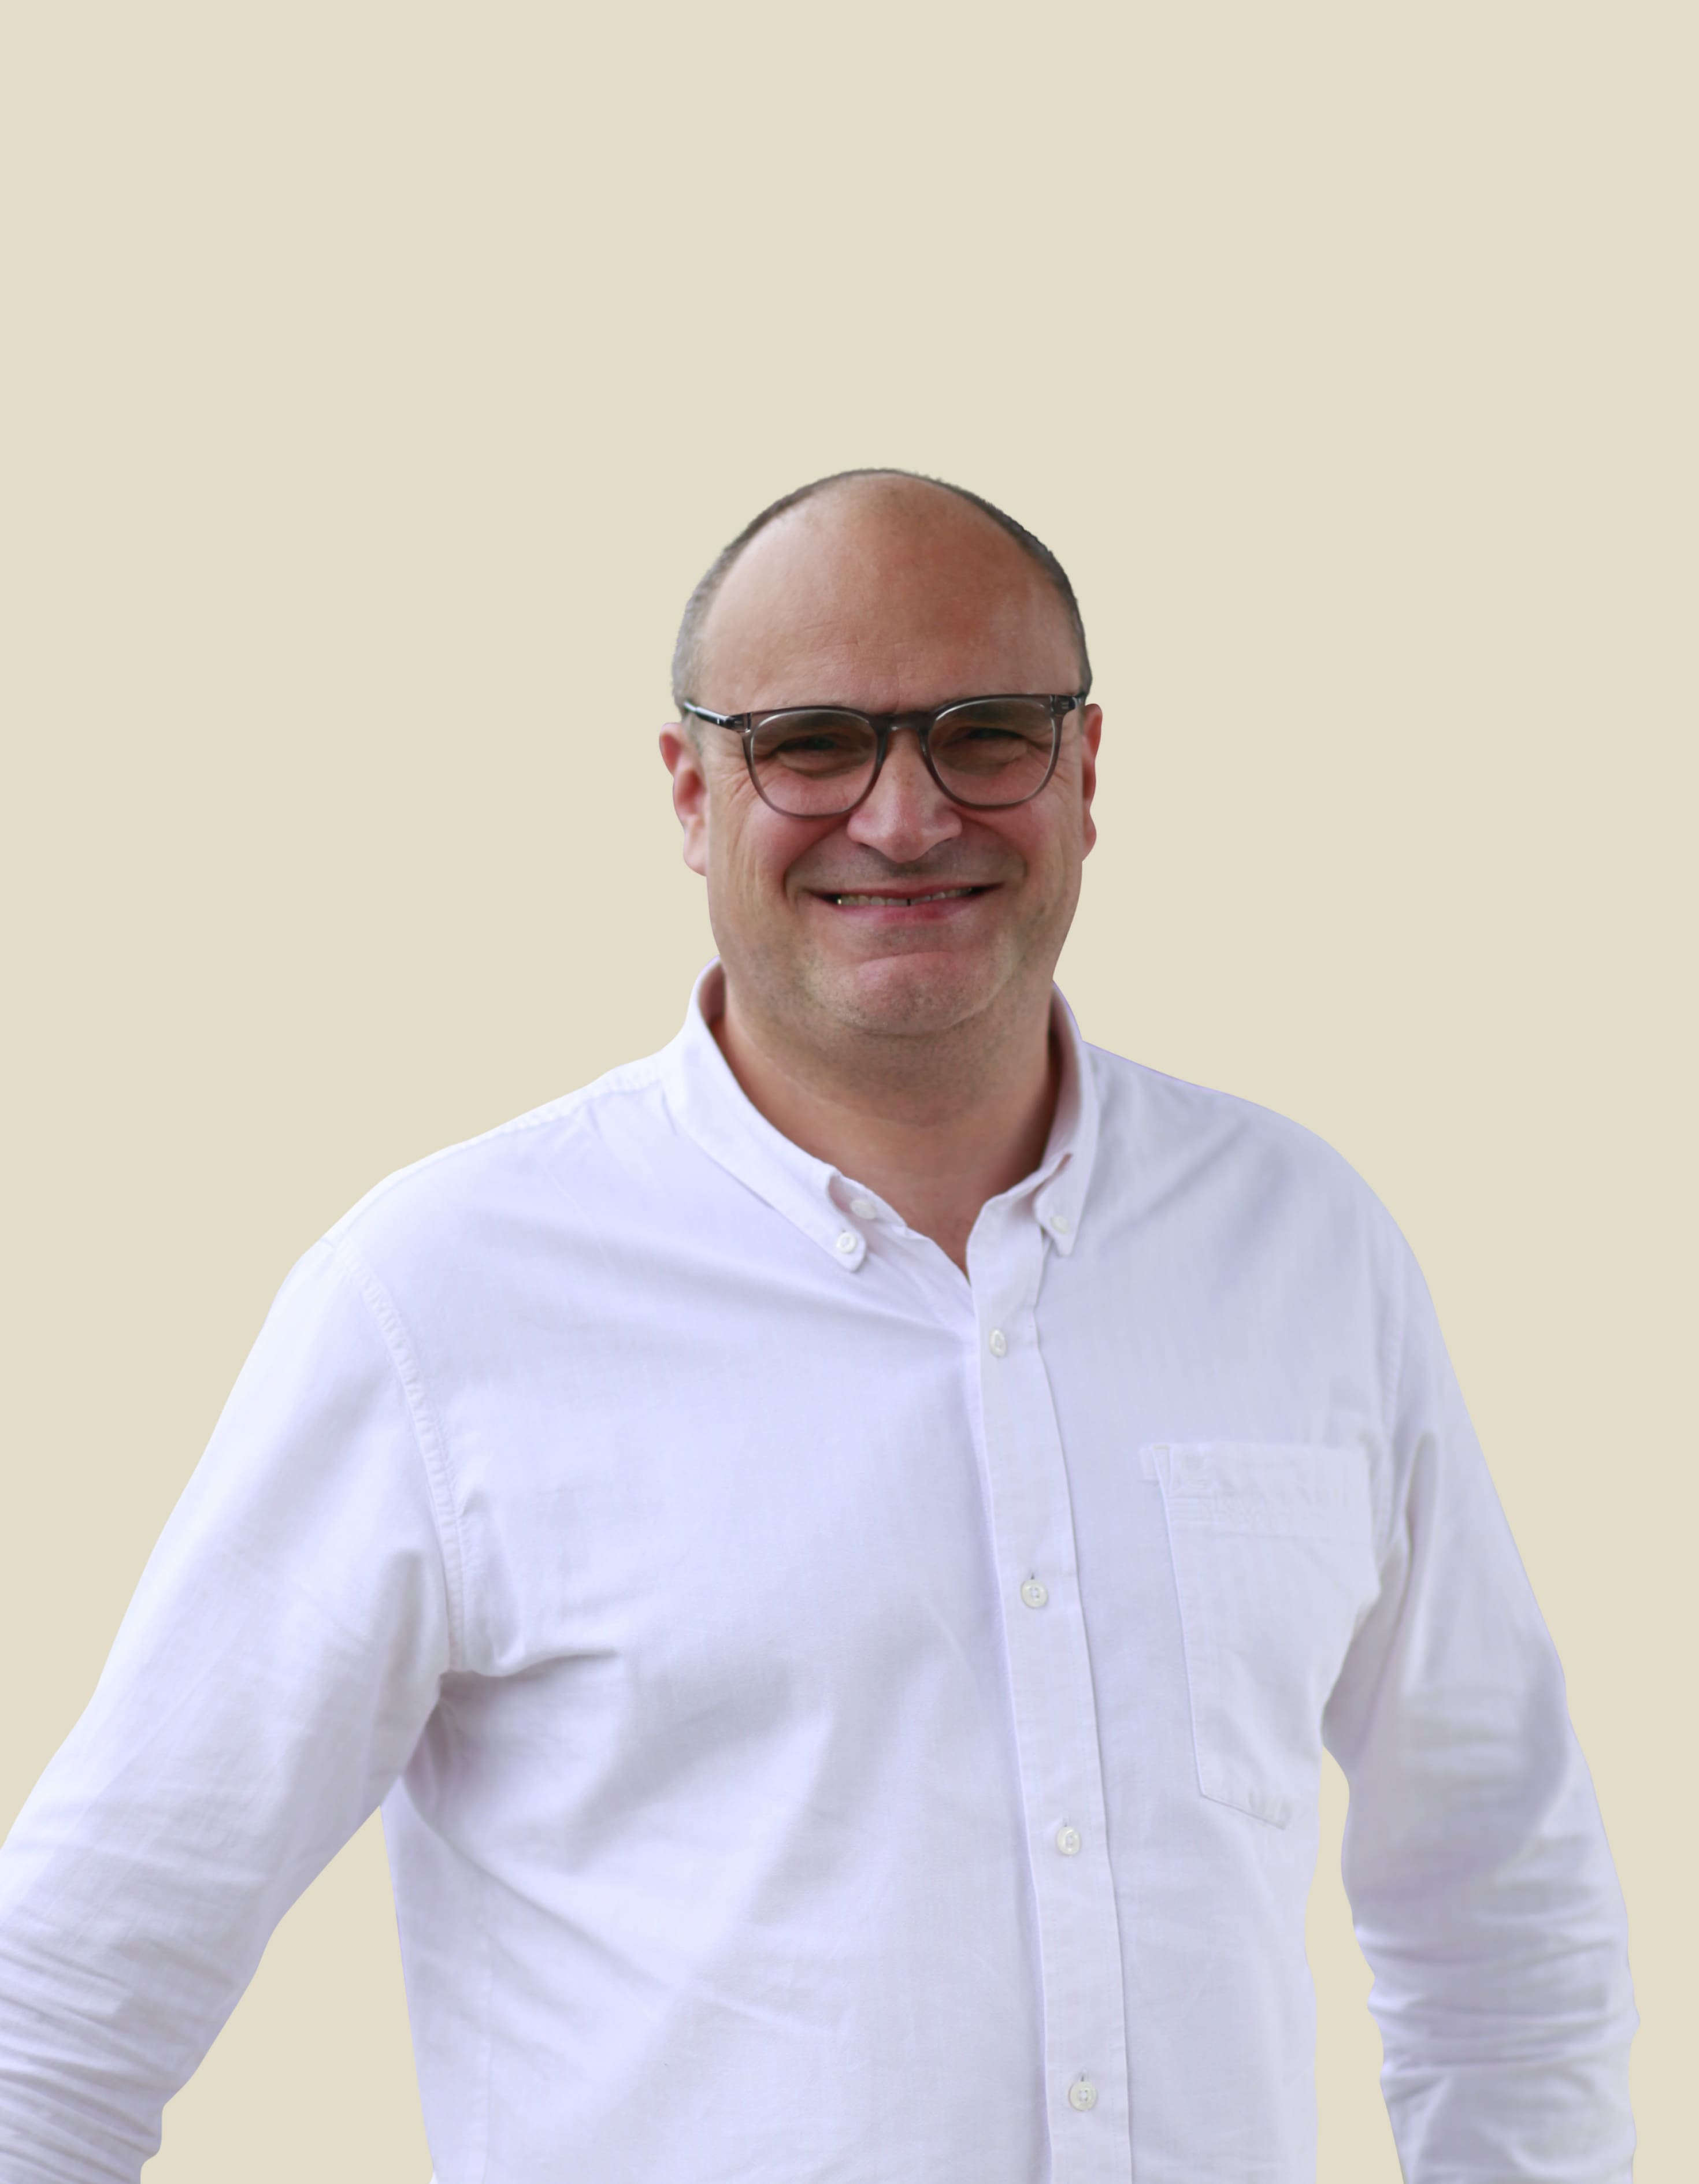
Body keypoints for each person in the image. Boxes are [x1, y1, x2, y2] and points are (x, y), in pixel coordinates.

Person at [0, 470, 1635, 2183]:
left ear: (1085, 771)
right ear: (690, 791)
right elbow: (67, 2009)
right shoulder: (438, 1302)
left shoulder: (1307, 1250)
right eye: (810, 744)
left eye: (985, 734)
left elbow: (1506, 1922)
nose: (905, 817)